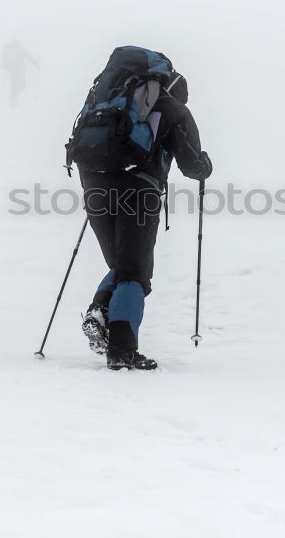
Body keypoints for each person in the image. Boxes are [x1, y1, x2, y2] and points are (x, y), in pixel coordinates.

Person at [79, 69, 212, 370]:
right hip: (138, 190)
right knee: (134, 272)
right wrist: (206, 166)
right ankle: (122, 350)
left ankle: (100, 312)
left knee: (123, 264)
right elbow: (192, 165)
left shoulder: (112, 102)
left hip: (94, 186)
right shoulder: (175, 109)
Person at [0, 39, 38, 105]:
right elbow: (29, 57)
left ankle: (13, 98)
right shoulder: (20, 50)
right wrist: (36, 64)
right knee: (21, 86)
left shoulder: (12, 50)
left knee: (14, 85)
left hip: (11, 70)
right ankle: (13, 98)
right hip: (18, 71)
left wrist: (4, 65)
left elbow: (28, 57)